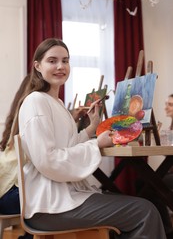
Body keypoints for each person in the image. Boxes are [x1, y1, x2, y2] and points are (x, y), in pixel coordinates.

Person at [11, 38, 166, 239]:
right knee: (145, 211)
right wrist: (96, 144)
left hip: (57, 200)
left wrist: (92, 128)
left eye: (65, 61)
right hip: (50, 207)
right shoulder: (36, 102)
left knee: (142, 207)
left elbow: (68, 147)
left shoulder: (53, 102)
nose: (60, 66)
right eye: (52, 61)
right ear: (37, 66)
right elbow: (48, 161)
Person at [0, 74, 33, 239]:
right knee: (46, 188)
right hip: (8, 198)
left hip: (6, 195)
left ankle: (30, 235)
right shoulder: (29, 121)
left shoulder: (15, 123)